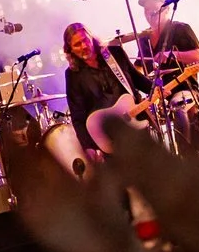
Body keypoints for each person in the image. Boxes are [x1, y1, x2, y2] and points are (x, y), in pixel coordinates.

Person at [60, 23, 147, 157]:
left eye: (85, 40)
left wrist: (158, 87)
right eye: (77, 45)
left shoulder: (115, 54)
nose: (83, 46)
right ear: (70, 50)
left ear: (91, 37)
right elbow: (78, 116)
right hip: (107, 137)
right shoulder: (72, 75)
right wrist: (88, 146)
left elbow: (138, 79)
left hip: (135, 125)